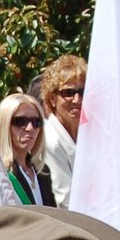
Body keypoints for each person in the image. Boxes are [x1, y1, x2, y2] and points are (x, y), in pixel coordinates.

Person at [0, 92, 55, 207]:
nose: (30, 128)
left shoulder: (43, 172)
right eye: (21, 122)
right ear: (4, 125)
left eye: (36, 122)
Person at [39, 55, 85, 205]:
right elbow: (65, 200)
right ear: (52, 98)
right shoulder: (50, 139)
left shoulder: (85, 135)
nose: (77, 100)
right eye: (68, 93)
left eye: (82, 92)